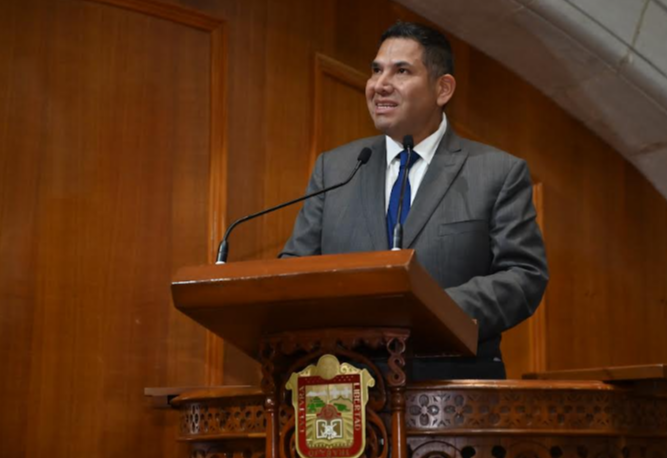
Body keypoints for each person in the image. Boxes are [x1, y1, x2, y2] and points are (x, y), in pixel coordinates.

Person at [280, 22, 548, 380]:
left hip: (453, 385)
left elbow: (523, 276)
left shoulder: (497, 172)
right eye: (376, 70)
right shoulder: (336, 168)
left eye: (401, 71)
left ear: (443, 88)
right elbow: (294, 269)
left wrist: (429, 311)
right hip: (345, 385)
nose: (380, 84)